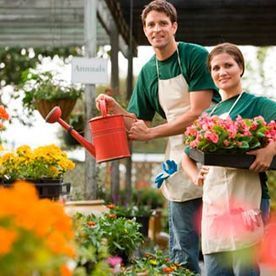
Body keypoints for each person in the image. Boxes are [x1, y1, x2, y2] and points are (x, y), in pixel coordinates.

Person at [96, 0, 220, 273]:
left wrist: (151, 132)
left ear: (174, 26)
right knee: (182, 242)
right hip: (178, 158)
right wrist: (115, 109)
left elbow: (197, 114)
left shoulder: (195, 56)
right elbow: (136, 124)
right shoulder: (149, 72)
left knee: (219, 240)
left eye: (163, 23)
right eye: (151, 24)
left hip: (214, 150)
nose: (157, 29)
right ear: (145, 30)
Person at [182, 42, 276, 276]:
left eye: (228, 65)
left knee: (245, 268)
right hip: (215, 202)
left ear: (240, 68)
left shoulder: (257, 104)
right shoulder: (209, 115)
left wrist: (270, 149)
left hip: (249, 199)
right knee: (215, 269)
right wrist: (196, 175)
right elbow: (186, 157)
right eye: (215, 68)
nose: (222, 72)